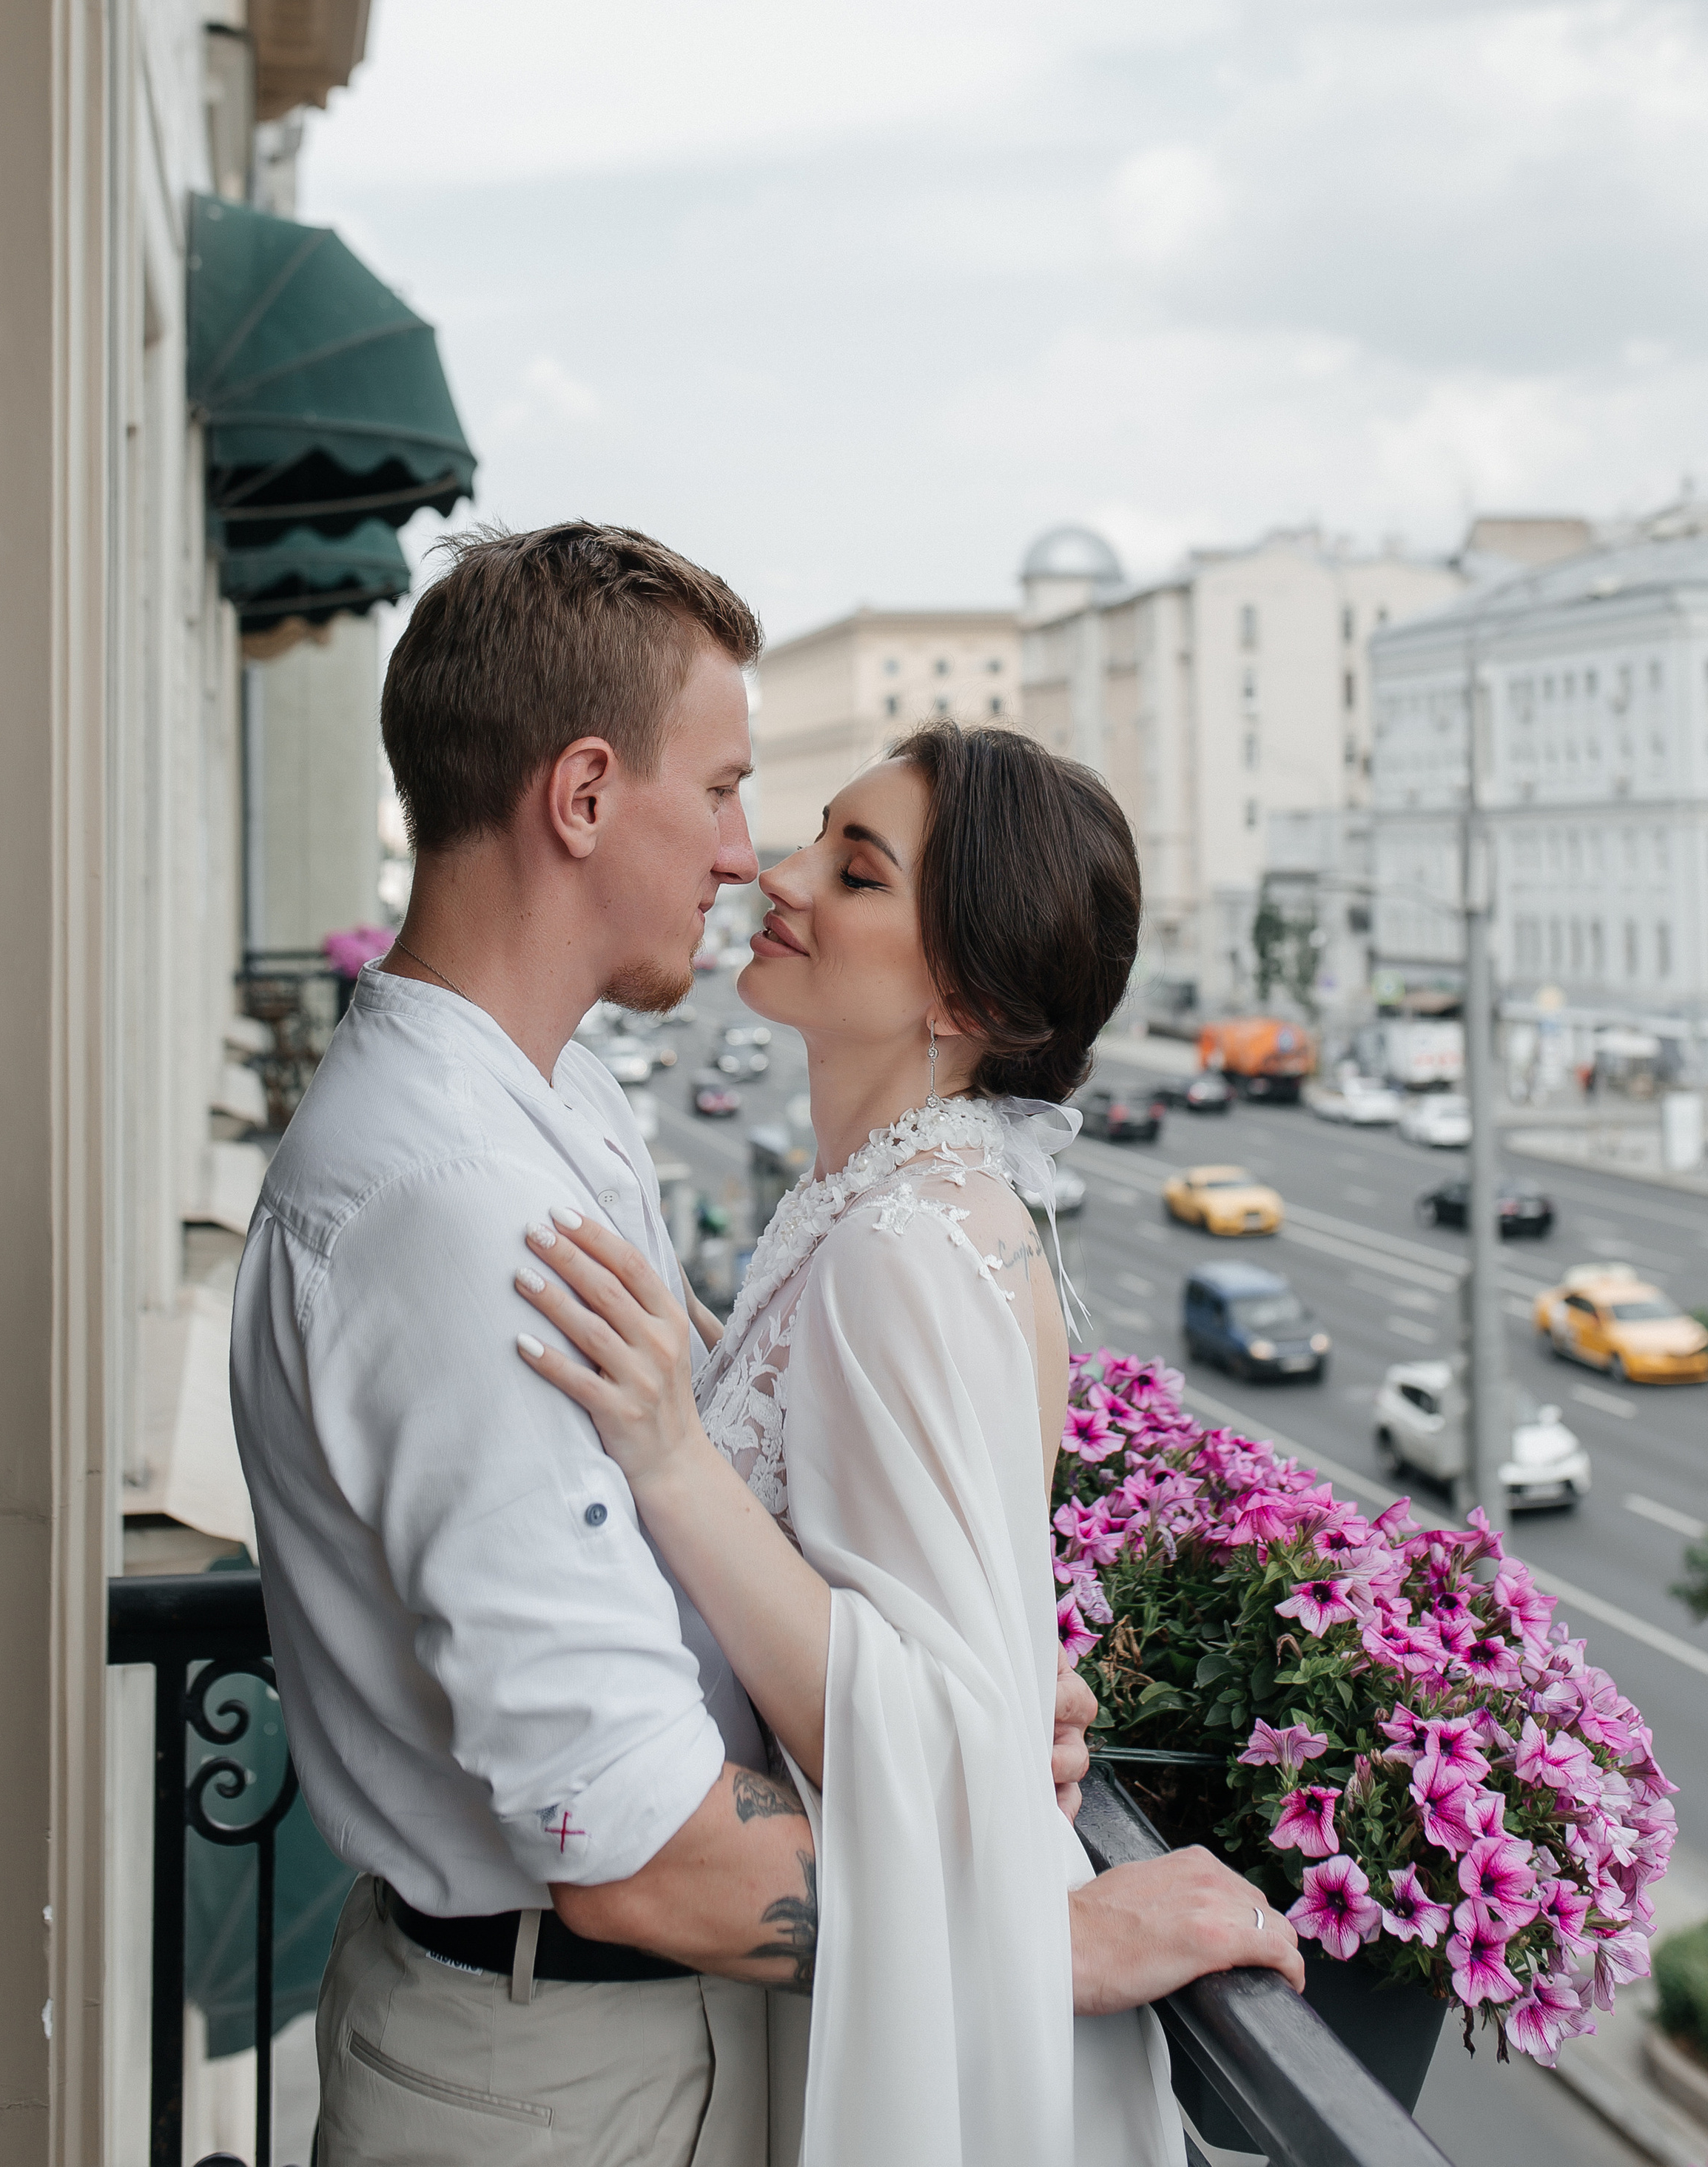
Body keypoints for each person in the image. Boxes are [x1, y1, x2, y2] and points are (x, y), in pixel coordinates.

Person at [228, 524, 1249, 2167]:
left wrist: (973, 1714)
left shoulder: (559, 1100)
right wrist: (1031, 1939)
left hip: (630, 2045)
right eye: (721, 792)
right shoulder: (455, 1207)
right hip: (555, 2082)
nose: (741, 858)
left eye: (836, 853)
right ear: (581, 796)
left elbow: (731, 1523)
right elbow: (628, 1836)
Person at [512, 719, 1304, 2167]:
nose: (784, 875)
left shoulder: (908, 1244)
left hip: (950, 2032)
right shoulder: (876, 1207)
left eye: (857, 872)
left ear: (968, 996)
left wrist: (670, 1454)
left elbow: (928, 1719)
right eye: (817, 835)